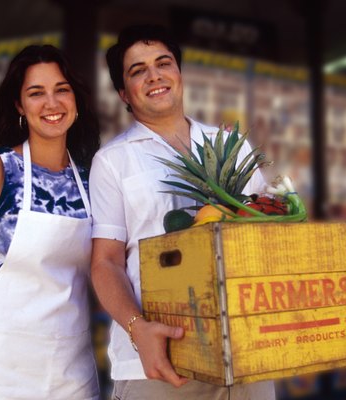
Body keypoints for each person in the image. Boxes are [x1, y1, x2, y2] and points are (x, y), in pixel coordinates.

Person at [89, 25, 275, 399]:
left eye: (163, 63)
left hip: (245, 347)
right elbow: (105, 263)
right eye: (137, 70)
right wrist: (137, 326)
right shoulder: (113, 161)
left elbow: (266, 227)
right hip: (159, 359)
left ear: (179, 73)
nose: (154, 75)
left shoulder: (229, 145)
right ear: (124, 93)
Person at [0, 44, 100, 400]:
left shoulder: (92, 181)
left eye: (62, 90)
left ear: (76, 99)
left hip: (73, 379)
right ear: (19, 105)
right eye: (36, 93)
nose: (52, 103)